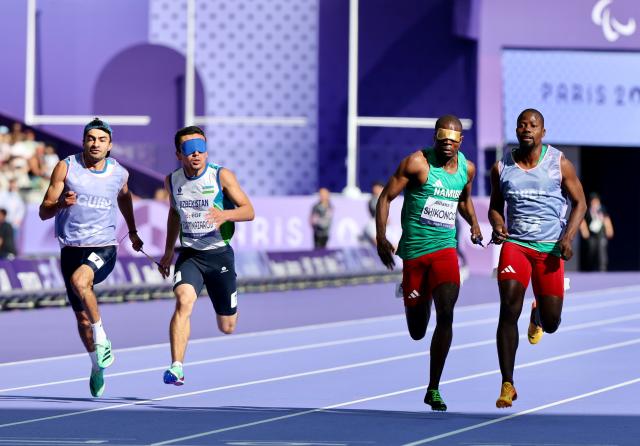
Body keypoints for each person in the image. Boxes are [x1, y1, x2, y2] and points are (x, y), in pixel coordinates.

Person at [376, 115, 483, 411]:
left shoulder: (467, 169)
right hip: (414, 254)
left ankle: (433, 388)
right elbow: (385, 198)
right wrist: (381, 237)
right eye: (442, 139)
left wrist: (473, 223)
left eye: (453, 140)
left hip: (445, 250)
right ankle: (414, 293)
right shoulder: (417, 163)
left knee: (446, 314)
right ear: (435, 138)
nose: (447, 144)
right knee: (417, 331)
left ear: (461, 141)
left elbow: (463, 200)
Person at [39, 118, 143, 398]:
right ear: (84, 141)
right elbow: (43, 211)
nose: (95, 144)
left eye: (101, 140)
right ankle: (97, 365)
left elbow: (124, 197)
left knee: (80, 280)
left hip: (104, 247)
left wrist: (132, 230)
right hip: (71, 249)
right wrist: (61, 204)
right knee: (81, 319)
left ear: (109, 145)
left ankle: (102, 337)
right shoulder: (66, 167)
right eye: (90, 139)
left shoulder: (119, 173)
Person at [489, 109, 586, 408]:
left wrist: (567, 237)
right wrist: (497, 223)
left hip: (549, 249)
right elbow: (495, 206)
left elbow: (580, 203)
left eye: (533, 125)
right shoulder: (502, 167)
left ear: (543, 132)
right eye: (522, 124)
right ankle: (508, 383)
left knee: (553, 321)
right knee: (508, 307)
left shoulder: (559, 163)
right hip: (515, 245)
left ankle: (538, 315)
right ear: (516, 131)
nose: (527, 129)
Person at [158, 126, 254, 386]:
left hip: (219, 256)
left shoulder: (221, 176)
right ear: (179, 154)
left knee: (227, 327)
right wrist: (168, 252)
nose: (197, 154)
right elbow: (174, 213)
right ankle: (176, 366)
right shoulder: (172, 180)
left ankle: (229, 301)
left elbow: (249, 210)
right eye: (190, 150)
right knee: (183, 301)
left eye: (201, 149)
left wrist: (225, 215)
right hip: (190, 254)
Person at [580, 193, 614, 271]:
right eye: (593, 201)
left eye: (596, 201)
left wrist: (609, 229)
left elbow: (606, 219)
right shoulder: (587, 210)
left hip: (601, 234)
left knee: (602, 250)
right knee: (591, 250)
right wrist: (584, 230)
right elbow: (583, 221)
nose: (594, 202)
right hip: (591, 234)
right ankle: (590, 267)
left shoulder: (602, 209)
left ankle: (602, 268)